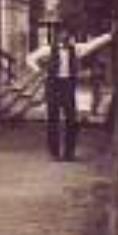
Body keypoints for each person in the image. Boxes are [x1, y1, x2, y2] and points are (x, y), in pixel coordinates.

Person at [46, 31, 79, 161]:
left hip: (68, 85)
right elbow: (30, 58)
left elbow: (92, 45)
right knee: (53, 119)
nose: (64, 37)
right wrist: (41, 71)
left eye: (67, 36)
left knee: (71, 119)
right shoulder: (48, 49)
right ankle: (54, 152)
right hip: (54, 85)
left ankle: (69, 152)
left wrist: (109, 36)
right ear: (58, 37)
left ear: (69, 38)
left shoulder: (76, 49)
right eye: (62, 35)